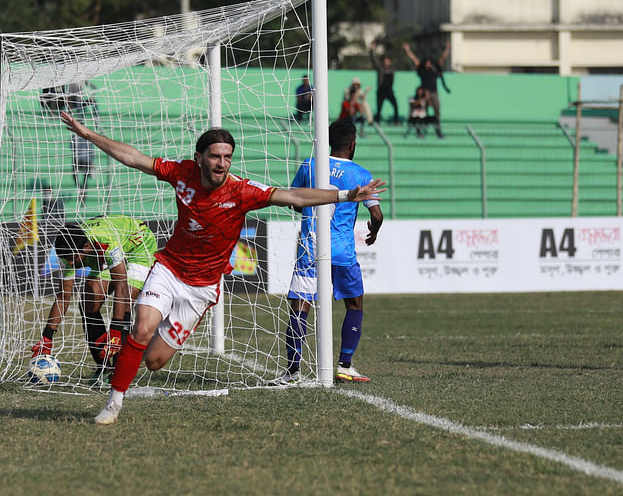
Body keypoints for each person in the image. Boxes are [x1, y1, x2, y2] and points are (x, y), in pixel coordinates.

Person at [58, 111, 384, 424]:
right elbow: (134, 158)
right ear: (199, 157)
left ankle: (147, 338)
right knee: (141, 328)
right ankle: (114, 402)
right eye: (216, 156)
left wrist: (345, 195)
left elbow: (294, 197)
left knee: (155, 361)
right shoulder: (181, 173)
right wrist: (88, 134)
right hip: (169, 269)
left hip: (201, 288)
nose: (222, 163)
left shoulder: (242, 191)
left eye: (227, 157)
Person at [271, 120, 383, 386]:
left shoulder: (309, 166)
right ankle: (344, 365)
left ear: (330, 141)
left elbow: (296, 202)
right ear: (352, 143)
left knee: (300, 308)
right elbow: (376, 214)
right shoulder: (360, 174)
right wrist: (374, 230)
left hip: (310, 248)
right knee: (354, 304)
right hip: (342, 252)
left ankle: (293, 371)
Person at [30, 215, 157, 386]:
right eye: (66, 259)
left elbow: (121, 286)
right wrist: (47, 337)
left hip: (138, 246)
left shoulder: (106, 241)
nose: (69, 263)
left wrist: (116, 331)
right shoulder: (69, 252)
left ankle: (119, 373)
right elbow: (63, 296)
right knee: (88, 302)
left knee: (125, 301)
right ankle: (103, 369)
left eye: (72, 259)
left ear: (86, 247)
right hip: (103, 252)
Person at [403, 41, 450, 138]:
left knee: (437, 111)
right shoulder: (422, 69)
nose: (428, 64)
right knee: (422, 112)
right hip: (424, 94)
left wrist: (447, 49)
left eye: (430, 62)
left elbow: (443, 59)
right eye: (427, 62)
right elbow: (414, 59)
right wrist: (408, 50)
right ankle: (419, 130)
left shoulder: (435, 69)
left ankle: (438, 130)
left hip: (434, 93)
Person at [370, 41, 399, 125]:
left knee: (395, 106)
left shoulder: (392, 69)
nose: (386, 62)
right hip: (381, 91)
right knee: (379, 108)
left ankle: (396, 121)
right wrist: (372, 50)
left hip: (389, 91)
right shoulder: (380, 69)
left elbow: (399, 59)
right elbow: (373, 60)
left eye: (388, 60)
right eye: (385, 61)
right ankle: (377, 122)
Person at [71, 131, 95, 207]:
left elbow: (72, 148)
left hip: (78, 159)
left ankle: (80, 189)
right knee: (84, 179)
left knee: (76, 176)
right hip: (85, 160)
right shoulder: (87, 135)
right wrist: (92, 163)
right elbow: (91, 151)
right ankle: (81, 191)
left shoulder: (74, 137)